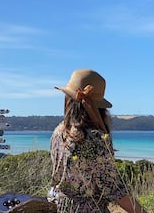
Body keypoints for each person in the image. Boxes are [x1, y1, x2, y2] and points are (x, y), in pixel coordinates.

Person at [50, 69, 147, 213]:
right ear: (100, 108)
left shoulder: (59, 131)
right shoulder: (94, 138)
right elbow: (115, 189)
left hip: (58, 207)